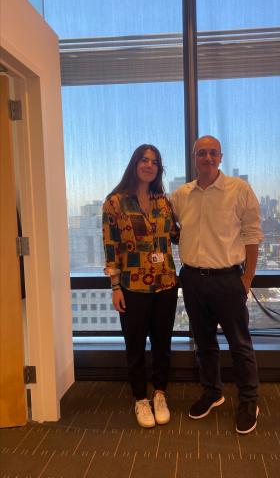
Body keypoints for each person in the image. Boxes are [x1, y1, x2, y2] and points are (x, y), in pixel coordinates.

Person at [170, 135, 263, 434]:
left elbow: (252, 234)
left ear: (220, 157)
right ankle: (213, 393)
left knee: (240, 344)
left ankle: (249, 401)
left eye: (213, 153)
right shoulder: (181, 195)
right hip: (193, 279)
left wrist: (247, 278)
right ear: (193, 157)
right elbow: (168, 227)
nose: (207, 158)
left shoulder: (239, 190)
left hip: (227, 280)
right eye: (201, 153)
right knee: (204, 343)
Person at [102, 144, 179, 428]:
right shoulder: (115, 202)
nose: (149, 165)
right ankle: (140, 399)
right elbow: (110, 247)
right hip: (132, 286)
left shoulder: (164, 202)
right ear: (135, 163)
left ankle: (160, 393)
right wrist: (115, 286)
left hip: (166, 284)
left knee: (162, 343)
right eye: (144, 160)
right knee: (134, 346)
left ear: (159, 169)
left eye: (155, 162)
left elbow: (178, 235)